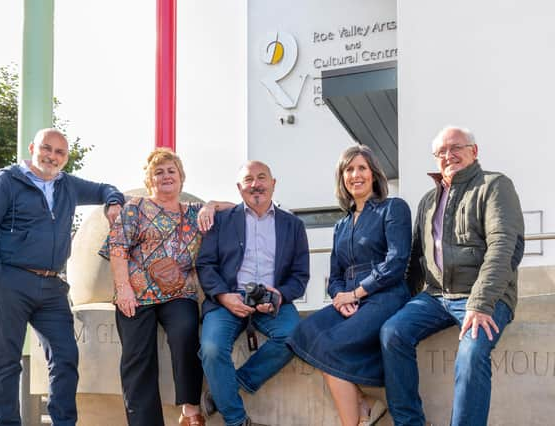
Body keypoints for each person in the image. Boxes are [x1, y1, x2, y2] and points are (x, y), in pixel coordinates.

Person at [0, 128, 125, 426]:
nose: (52, 157)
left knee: (65, 357)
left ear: (66, 159)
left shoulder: (67, 185)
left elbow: (106, 188)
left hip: (53, 286)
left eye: (59, 153)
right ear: (33, 147)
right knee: (6, 362)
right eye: (47, 148)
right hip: (11, 281)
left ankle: (63, 423)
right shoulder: (7, 180)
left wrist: (114, 203)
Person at [380, 126, 525, 426]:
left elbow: (504, 247)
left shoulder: (494, 185)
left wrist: (481, 302)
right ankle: (409, 422)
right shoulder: (428, 201)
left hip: (484, 296)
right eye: (441, 152)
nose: (449, 155)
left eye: (456, 147)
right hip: (435, 298)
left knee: (471, 353)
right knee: (392, 332)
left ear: (474, 150)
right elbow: (416, 260)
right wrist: (399, 302)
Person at [103, 148, 233, 426]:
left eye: (171, 171)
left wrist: (212, 204)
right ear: (150, 179)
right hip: (136, 293)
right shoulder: (135, 207)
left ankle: (190, 410)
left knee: (186, 333)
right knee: (137, 358)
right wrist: (123, 288)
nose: (165, 176)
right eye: (158, 172)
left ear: (181, 178)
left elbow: (237, 208)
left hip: (178, 293)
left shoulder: (195, 214)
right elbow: (117, 248)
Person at [287, 146, 412, 426]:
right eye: (349, 169)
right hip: (350, 297)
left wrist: (356, 293)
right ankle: (363, 403)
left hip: (385, 295)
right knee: (306, 331)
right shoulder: (341, 225)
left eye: (361, 168)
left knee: (331, 345)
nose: (355, 175)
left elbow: (396, 262)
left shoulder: (394, 208)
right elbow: (335, 276)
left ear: (373, 174)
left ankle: (353, 422)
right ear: (342, 177)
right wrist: (340, 297)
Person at [196, 161, 310, 426]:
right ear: (239, 188)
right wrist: (224, 296)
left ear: (273, 184)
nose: (255, 184)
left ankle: (227, 387)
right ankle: (237, 420)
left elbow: (300, 275)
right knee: (211, 349)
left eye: (261, 178)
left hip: (273, 299)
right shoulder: (221, 220)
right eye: (248, 179)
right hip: (227, 299)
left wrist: (279, 295)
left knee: (294, 335)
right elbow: (206, 265)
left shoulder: (293, 225)